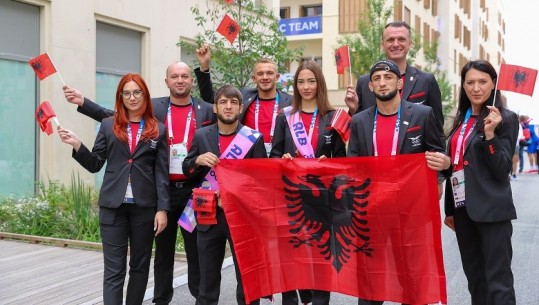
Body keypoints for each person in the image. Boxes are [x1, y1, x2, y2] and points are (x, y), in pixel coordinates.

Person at [63, 61, 215, 305]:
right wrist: (83, 108)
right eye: (174, 76)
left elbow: (223, 111)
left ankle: (202, 299)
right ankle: (161, 300)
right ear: (166, 82)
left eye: (185, 76)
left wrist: (205, 71)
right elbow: (110, 122)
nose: (179, 80)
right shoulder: (146, 111)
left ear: (191, 80)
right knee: (144, 261)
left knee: (186, 254)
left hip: (182, 194)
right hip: (136, 199)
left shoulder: (192, 114)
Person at [196, 44, 312, 305]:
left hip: (279, 167)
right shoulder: (243, 98)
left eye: (270, 73)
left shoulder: (288, 102)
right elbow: (213, 99)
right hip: (247, 162)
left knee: (283, 239)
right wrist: (204, 69)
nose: (265, 77)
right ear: (253, 77)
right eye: (260, 73)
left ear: (277, 76)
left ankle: (291, 296)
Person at [58, 73, 170, 305]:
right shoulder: (109, 125)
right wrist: (78, 145)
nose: (132, 97)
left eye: (136, 92)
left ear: (144, 95)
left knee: (139, 267)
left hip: (145, 209)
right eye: (126, 93)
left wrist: (162, 209)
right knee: (114, 270)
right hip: (112, 208)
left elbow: (161, 172)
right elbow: (95, 164)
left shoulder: (157, 128)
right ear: (121, 96)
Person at [347, 60, 450, 305]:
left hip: (411, 211)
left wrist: (440, 174)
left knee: (412, 278)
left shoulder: (422, 114)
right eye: (377, 79)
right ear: (370, 87)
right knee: (372, 280)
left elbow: (437, 153)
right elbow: (353, 165)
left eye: (388, 77)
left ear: (399, 82)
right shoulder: (360, 120)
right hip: (372, 211)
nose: (383, 82)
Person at [270, 60, 346, 305]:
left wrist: (329, 163)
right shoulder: (285, 117)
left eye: (311, 81)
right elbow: (274, 155)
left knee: (321, 256)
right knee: (292, 256)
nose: (306, 86)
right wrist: (283, 159)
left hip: (321, 199)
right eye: (301, 82)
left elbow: (342, 160)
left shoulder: (332, 117)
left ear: (319, 84)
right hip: (291, 198)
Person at [182, 84, 267, 305]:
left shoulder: (253, 138)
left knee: (247, 281)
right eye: (223, 102)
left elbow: (260, 181)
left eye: (233, 102)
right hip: (209, 217)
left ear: (240, 108)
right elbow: (186, 169)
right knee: (207, 283)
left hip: (242, 217)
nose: (228, 106)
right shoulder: (201, 135)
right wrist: (197, 161)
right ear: (215, 108)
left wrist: (234, 192)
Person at [443, 60, 518, 305]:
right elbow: (455, 165)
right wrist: (450, 209)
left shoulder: (505, 118)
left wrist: (490, 135)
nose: (476, 88)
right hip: (463, 210)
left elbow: (502, 169)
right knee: (475, 280)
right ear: (463, 86)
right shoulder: (460, 120)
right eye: (470, 82)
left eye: (482, 82)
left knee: (498, 281)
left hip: (492, 210)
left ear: (494, 83)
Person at [344, 21, 444, 141]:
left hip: (414, 156)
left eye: (401, 39)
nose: (396, 44)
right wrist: (353, 110)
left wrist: (443, 156)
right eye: (390, 40)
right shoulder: (365, 82)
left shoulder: (426, 81)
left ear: (410, 43)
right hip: (376, 154)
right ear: (382, 45)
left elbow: (437, 129)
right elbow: (357, 129)